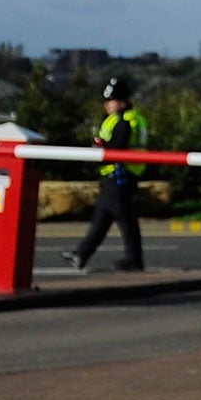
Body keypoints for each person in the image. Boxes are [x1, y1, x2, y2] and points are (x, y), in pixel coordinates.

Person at [62, 76, 148, 273]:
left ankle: (134, 259)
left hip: (119, 175)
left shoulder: (125, 120)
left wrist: (98, 150)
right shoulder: (129, 118)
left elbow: (116, 148)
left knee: (124, 220)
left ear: (122, 101)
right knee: (102, 218)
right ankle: (81, 254)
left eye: (111, 100)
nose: (107, 105)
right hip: (119, 176)